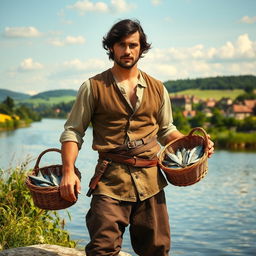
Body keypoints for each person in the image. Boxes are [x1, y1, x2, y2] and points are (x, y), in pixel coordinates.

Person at [59, 19, 214, 256]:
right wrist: (68, 171)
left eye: (133, 45)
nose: (127, 51)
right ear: (111, 47)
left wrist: (195, 146)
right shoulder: (92, 86)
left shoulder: (158, 87)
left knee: (157, 250)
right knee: (102, 250)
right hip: (109, 182)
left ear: (142, 48)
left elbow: (166, 130)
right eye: (121, 44)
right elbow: (73, 131)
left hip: (151, 182)